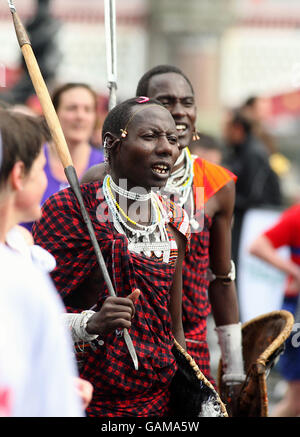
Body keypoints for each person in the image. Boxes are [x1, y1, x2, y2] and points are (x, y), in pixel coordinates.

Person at [80, 66, 245, 392]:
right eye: (165, 101)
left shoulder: (215, 183)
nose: (179, 111)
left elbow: (221, 278)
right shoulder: (101, 181)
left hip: (190, 343)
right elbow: (82, 271)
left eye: (187, 102)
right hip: (116, 345)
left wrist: (235, 367)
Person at [32, 97, 190, 417]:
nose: (166, 148)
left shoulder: (175, 221)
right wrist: (91, 322)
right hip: (82, 394)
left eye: (172, 139)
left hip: (155, 397)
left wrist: (189, 388)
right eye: (150, 136)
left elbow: (174, 327)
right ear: (112, 144)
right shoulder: (72, 210)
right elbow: (33, 317)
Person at [0, 109, 85, 416]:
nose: (46, 180)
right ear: (18, 176)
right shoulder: (23, 277)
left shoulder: (23, 257)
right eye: (40, 170)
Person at [249, 203, 300, 417]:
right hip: (297, 312)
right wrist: (294, 271)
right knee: (295, 402)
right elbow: (257, 246)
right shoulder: (296, 216)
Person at [222, 110, 282, 279]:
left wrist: (224, 202)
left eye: (227, 127)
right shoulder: (239, 151)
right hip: (246, 216)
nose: (224, 132)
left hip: (256, 220)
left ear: (238, 128)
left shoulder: (253, 152)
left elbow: (253, 195)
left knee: (244, 267)